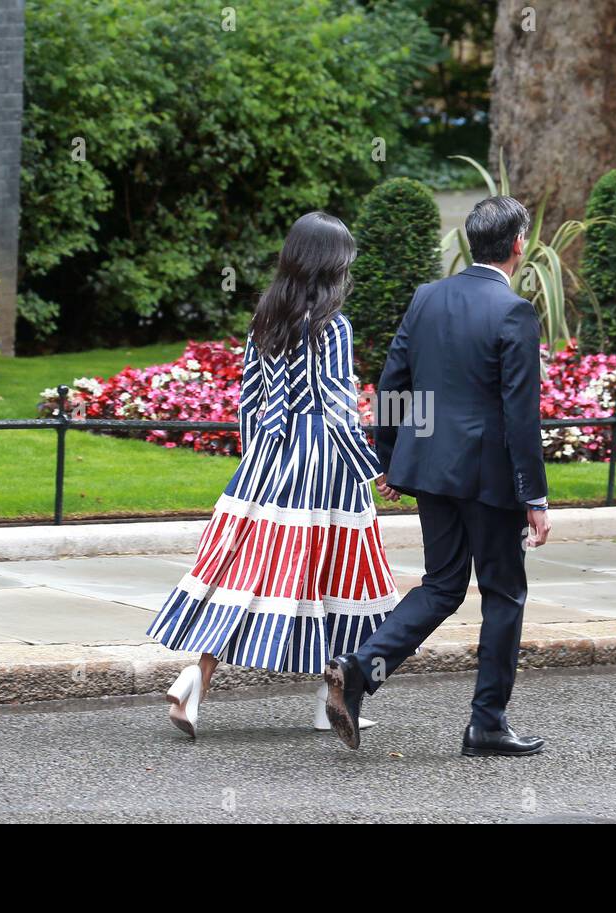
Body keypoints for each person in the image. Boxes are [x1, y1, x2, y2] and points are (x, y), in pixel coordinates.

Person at [147, 211, 400, 738]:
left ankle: (198, 676)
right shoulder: (334, 325)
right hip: (323, 464)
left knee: (250, 570)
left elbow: (249, 400)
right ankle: (333, 693)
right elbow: (335, 407)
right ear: (331, 265)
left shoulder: (266, 317)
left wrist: (257, 460)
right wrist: (370, 467)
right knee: (337, 572)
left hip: (269, 458)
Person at [323, 196, 551, 757]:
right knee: (503, 594)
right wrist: (536, 496)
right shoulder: (514, 312)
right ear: (518, 244)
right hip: (489, 483)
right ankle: (487, 723)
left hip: (431, 472)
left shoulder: (428, 298)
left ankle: (359, 671)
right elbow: (521, 414)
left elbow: (394, 382)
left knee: (443, 585)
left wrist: (393, 458)